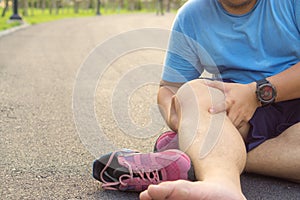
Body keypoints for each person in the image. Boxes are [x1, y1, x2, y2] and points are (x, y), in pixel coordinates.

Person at [93, 0, 300, 199]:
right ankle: (221, 184)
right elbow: (169, 88)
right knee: (195, 93)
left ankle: (194, 159)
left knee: (206, 137)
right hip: (232, 113)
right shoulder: (191, 15)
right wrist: (180, 119)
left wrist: (256, 93)